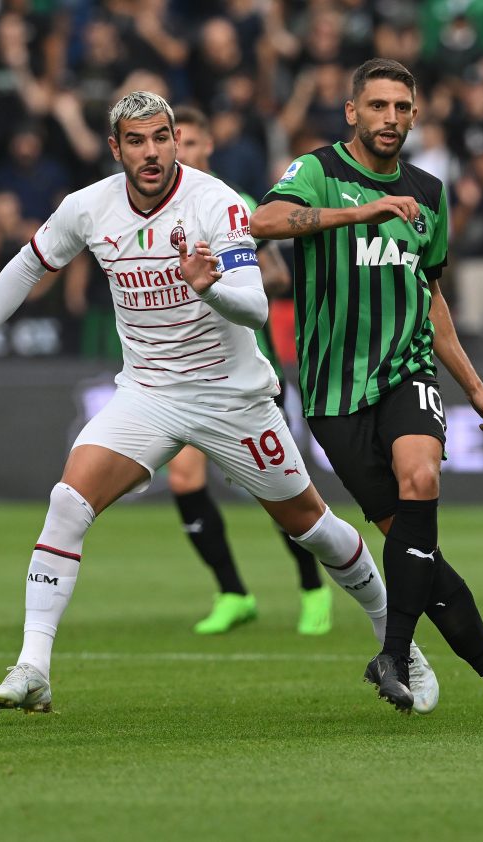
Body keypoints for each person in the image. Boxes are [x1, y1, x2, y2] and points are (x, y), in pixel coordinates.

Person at [0, 90, 438, 715]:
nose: (152, 151)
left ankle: (396, 639)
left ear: (174, 139)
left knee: (313, 527)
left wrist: (209, 286)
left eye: (161, 137)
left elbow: (253, 305)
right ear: (116, 149)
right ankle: (33, 666)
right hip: (149, 392)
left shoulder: (215, 202)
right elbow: (30, 266)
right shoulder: (89, 207)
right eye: (136, 141)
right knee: (67, 502)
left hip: (230, 395)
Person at [250, 58, 483, 730]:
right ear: (352, 111)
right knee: (419, 555)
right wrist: (364, 211)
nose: (389, 119)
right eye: (376, 106)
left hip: (406, 371)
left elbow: (431, 296)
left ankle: (393, 652)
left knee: (421, 474)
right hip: (333, 392)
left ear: (414, 116)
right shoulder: (319, 170)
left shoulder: (430, 194)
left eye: (401, 108)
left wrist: (475, 386)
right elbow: (264, 223)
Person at [166, 104, 332, 636]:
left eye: (191, 144)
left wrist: (235, 277)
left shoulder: (232, 204)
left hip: (243, 370)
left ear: (207, 147)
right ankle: (233, 592)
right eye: (176, 143)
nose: (182, 153)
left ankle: (312, 587)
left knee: (277, 491)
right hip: (183, 369)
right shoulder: (155, 210)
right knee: (183, 477)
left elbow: (278, 279)